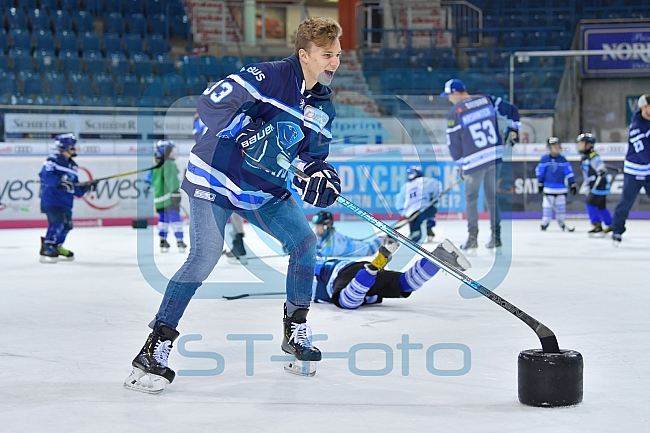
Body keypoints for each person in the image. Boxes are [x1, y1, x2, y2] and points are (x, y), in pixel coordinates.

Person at [125, 17, 343, 393]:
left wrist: (323, 176)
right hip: (216, 179)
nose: (335, 62)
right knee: (205, 255)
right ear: (304, 55)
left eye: (338, 54)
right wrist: (246, 132)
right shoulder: (268, 76)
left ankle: (296, 330)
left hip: (262, 191)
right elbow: (210, 104)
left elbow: (311, 156)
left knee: (305, 244)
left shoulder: (322, 104)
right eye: (327, 54)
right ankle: (154, 347)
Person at [441, 78, 521, 250]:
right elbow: (512, 110)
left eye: (449, 95)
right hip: (494, 156)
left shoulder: (456, 111)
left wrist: (459, 164)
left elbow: (454, 143)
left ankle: (472, 237)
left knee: (471, 198)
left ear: (455, 92)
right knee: (492, 198)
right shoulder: (487, 100)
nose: (448, 99)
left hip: (474, 160)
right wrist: (514, 130)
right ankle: (496, 236)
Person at [313, 238, 471, 309]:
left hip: (342, 274)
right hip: (361, 276)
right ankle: (438, 256)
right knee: (405, 284)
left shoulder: (303, 278)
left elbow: (312, 268)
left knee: (345, 302)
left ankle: (373, 269)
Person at [196, 111, 249, 262]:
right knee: (233, 205)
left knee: (227, 204)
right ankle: (236, 244)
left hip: (220, 165)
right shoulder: (228, 114)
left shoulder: (207, 117)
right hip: (228, 164)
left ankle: (216, 246)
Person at [38, 133, 97, 263]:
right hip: (52, 200)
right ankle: (47, 245)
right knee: (57, 223)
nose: (75, 149)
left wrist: (87, 186)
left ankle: (57, 246)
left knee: (67, 226)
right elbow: (45, 177)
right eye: (72, 147)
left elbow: (76, 190)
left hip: (66, 202)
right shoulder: (52, 159)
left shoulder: (73, 165)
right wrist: (59, 181)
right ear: (64, 147)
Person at [611, 94, 650, 244]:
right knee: (626, 202)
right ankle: (617, 230)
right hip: (634, 171)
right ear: (643, 107)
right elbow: (644, 152)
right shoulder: (637, 127)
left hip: (648, 170)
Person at [149, 140, 187, 253]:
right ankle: (179, 240)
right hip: (169, 198)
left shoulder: (156, 165)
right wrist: (175, 192)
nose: (174, 152)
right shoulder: (169, 164)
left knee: (163, 220)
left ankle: (163, 240)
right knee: (175, 218)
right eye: (171, 150)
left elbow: (152, 181)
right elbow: (172, 181)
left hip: (159, 198)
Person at [535, 137, 577, 231]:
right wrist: (540, 182)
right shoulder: (545, 159)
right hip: (548, 188)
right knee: (547, 207)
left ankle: (561, 223)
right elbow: (540, 171)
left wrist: (572, 183)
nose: (557, 148)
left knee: (561, 208)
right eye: (554, 147)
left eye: (558, 146)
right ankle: (545, 222)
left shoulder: (563, 160)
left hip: (561, 188)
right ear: (549, 148)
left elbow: (569, 172)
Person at [576, 132, 613, 236]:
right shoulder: (585, 157)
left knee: (590, 204)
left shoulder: (592, 156)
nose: (579, 145)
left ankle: (597, 225)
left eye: (582, 143)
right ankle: (610, 224)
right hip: (597, 186)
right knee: (601, 206)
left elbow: (600, 166)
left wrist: (601, 171)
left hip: (599, 186)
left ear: (589, 145)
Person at [394, 165, 442, 242]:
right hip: (426, 208)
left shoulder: (405, 187)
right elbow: (438, 186)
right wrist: (435, 196)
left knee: (415, 225)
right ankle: (428, 227)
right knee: (424, 218)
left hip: (412, 212)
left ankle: (417, 232)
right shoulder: (425, 181)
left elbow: (399, 201)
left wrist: (403, 213)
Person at [312, 210, 382, 257]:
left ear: (326, 226)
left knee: (372, 248)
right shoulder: (318, 232)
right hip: (350, 244)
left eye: (319, 226)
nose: (316, 228)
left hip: (357, 249)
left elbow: (324, 254)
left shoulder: (333, 241)